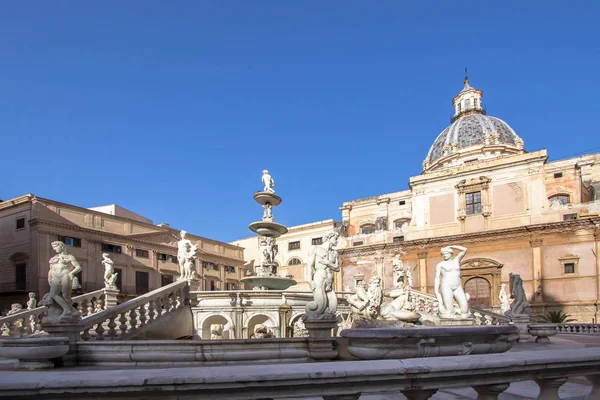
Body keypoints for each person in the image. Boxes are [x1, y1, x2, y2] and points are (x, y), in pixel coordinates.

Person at [41, 241, 82, 321]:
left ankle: (67, 311)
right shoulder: (54, 258)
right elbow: (51, 269)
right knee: (53, 294)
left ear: (62, 246)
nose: (55, 249)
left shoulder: (70, 257)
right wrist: (50, 278)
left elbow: (78, 267)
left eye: (56, 247)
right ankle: (69, 310)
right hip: (55, 278)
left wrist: (71, 273)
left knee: (65, 295)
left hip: (65, 276)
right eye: (53, 247)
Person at [305, 231, 340, 317]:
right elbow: (309, 265)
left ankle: (326, 318)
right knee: (320, 304)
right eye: (335, 239)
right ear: (329, 238)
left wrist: (327, 262)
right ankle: (313, 316)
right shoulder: (315, 248)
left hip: (329, 278)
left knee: (332, 305)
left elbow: (337, 268)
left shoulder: (334, 253)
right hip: (320, 274)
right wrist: (310, 281)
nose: (336, 241)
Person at [434, 245, 469, 318]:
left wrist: (451, 246)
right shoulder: (440, 265)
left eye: (446, 253)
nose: (444, 255)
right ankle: (451, 312)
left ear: (451, 254)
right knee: (449, 312)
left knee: (464, 310)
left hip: (458, 286)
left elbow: (464, 249)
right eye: (443, 254)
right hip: (446, 286)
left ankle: (455, 311)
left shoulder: (456, 260)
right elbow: (437, 278)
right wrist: (436, 290)